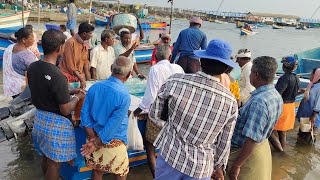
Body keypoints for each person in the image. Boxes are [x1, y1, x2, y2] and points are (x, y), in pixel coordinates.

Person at [150, 39, 238, 180]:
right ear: (226, 69)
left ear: (201, 61)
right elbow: (224, 142)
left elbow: (154, 114)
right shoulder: (230, 101)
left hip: (170, 155)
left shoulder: (175, 81)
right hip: (201, 167)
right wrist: (219, 167)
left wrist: (171, 127)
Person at [27, 29, 85, 180]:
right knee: (55, 163)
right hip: (56, 123)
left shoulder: (33, 67)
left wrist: (70, 91)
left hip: (39, 119)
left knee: (46, 156)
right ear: (60, 48)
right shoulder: (58, 75)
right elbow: (65, 109)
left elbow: (45, 89)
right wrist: (78, 96)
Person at [228, 56, 283, 180]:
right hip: (262, 146)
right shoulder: (275, 95)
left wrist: (236, 166)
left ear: (256, 75)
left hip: (245, 154)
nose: (250, 75)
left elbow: (251, 139)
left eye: (251, 72)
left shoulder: (259, 102)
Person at [133, 44, 184, 178]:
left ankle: (156, 176)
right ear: (170, 56)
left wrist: (137, 111)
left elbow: (150, 97)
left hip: (158, 116)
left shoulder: (155, 69)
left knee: (150, 148)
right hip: (175, 115)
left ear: (155, 56)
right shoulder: (178, 68)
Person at [80, 56, 133, 180]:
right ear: (129, 74)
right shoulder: (124, 95)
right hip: (114, 140)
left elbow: (85, 115)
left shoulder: (94, 87)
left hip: (94, 136)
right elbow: (112, 126)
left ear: (111, 68)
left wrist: (92, 137)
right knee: (121, 173)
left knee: (97, 171)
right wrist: (97, 143)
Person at [269, 56, 300, 152]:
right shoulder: (296, 78)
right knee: (283, 132)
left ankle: (280, 152)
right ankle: (282, 150)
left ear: (284, 66)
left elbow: (278, 93)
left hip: (282, 107)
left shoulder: (284, 78)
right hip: (291, 106)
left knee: (270, 130)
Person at [3, 28, 37, 98]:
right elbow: (36, 72)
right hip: (22, 89)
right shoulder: (27, 56)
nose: (34, 41)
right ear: (24, 40)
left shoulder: (10, 47)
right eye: (31, 38)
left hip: (11, 87)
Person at [59, 22, 94, 89]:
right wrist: (81, 79)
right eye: (90, 33)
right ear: (84, 34)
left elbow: (85, 62)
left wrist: (88, 79)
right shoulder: (70, 42)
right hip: (67, 76)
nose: (91, 35)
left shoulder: (85, 43)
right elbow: (70, 65)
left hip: (79, 76)